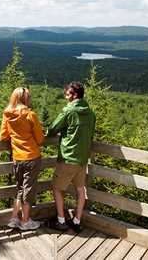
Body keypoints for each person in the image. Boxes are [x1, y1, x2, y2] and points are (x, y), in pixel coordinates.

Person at [46, 81, 96, 233]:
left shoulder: (69, 111)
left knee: (56, 188)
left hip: (68, 157)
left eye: (67, 94)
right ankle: (77, 221)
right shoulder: (91, 113)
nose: (65, 96)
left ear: (74, 95)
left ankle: (61, 221)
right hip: (82, 159)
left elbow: (52, 129)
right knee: (81, 190)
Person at [0, 87, 45, 230]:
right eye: (29, 97)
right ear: (25, 99)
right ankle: (25, 221)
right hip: (32, 157)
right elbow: (40, 139)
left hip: (17, 157)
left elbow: (3, 136)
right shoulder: (30, 115)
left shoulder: (7, 114)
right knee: (29, 190)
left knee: (20, 189)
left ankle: (14, 218)